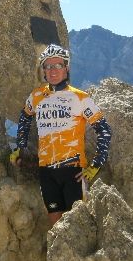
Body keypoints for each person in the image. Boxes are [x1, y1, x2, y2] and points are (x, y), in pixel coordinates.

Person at [10, 43, 112, 227]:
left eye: (57, 65)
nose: (53, 70)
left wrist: (96, 165)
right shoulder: (37, 95)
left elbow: (104, 130)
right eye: (48, 66)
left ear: (66, 68)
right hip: (46, 171)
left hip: (73, 171)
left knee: (78, 226)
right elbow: (25, 118)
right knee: (56, 227)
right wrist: (20, 148)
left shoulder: (80, 98)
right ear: (43, 70)